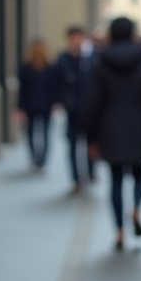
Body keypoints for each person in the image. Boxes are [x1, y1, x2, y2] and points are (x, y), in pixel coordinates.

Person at [85, 17, 141, 251]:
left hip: (110, 128)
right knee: (140, 176)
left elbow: (93, 103)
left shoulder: (100, 64)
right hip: (139, 128)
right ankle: (136, 208)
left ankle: (119, 231)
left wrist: (91, 137)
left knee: (116, 180)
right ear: (133, 34)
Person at [54, 26, 93, 193]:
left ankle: (90, 172)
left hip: (89, 108)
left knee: (89, 142)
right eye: (73, 37)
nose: (76, 41)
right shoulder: (63, 59)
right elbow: (56, 81)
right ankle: (76, 179)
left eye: (78, 37)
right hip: (71, 110)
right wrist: (58, 101)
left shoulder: (90, 58)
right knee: (72, 144)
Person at [17, 39, 58, 173]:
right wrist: (20, 108)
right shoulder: (25, 67)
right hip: (30, 105)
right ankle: (34, 158)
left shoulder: (51, 67)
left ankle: (43, 161)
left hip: (46, 105)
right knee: (30, 133)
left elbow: (54, 87)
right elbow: (22, 89)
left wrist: (55, 103)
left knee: (46, 133)